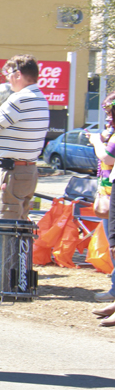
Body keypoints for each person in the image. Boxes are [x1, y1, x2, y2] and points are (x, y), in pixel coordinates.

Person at [0, 55, 49, 221]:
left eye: (8, 74)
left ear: (18, 74)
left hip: (12, 172)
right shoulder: (41, 98)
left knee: (6, 226)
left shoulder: (19, 99)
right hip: (28, 170)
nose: (7, 80)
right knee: (20, 225)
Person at [89, 92, 115, 304]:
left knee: (113, 244)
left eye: (109, 111)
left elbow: (107, 157)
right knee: (111, 243)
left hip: (111, 194)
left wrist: (97, 142)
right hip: (108, 193)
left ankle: (114, 291)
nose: (107, 117)